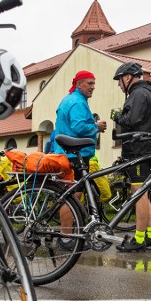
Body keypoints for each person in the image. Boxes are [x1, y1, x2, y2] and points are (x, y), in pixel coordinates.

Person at [52, 70, 107, 250]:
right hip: (73, 155)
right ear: (79, 84)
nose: (93, 87)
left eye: (94, 83)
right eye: (89, 83)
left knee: (73, 195)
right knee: (72, 197)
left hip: (69, 154)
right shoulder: (76, 102)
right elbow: (78, 126)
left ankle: (70, 235)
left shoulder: (71, 99)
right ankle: (66, 239)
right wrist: (96, 127)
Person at [111, 61, 151, 251]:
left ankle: (139, 240)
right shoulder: (146, 93)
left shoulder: (137, 94)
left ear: (127, 77)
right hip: (146, 148)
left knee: (139, 193)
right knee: (142, 193)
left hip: (139, 150)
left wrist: (117, 117)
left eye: (119, 80)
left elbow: (131, 120)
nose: (118, 84)